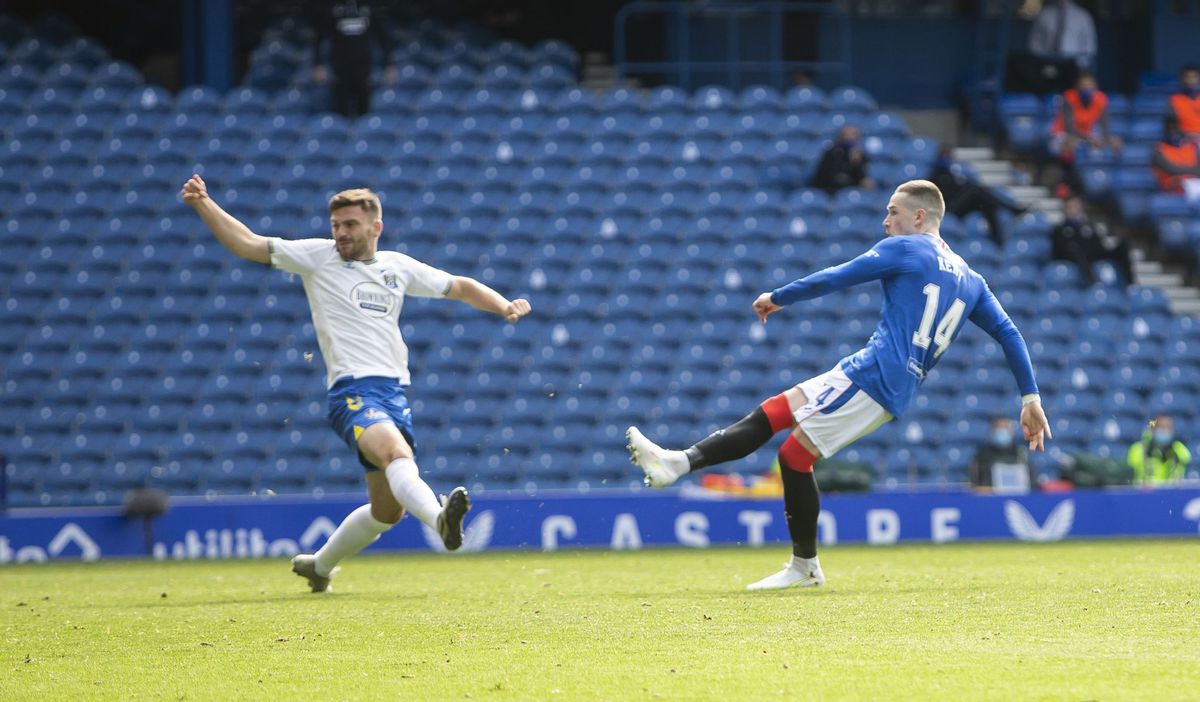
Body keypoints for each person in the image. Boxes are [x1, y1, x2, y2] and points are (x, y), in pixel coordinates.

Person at [626, 179, 1052, 590]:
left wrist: (779, 296)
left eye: (893, 212)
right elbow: (1009, 333)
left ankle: (797, 560)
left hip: (877, 376)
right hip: (874, 370)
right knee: (779, 420)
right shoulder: (970, 278)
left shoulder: (905, 248)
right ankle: (680, 465)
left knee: (792, 453)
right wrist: (1030, 397)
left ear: (919, 217)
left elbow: (839, 275)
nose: (886, 221)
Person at [180, 175, 531, 592]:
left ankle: (319, 566)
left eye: (349, 225)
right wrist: (204, 203)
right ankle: (440, 519)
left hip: (393, 394)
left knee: (386, 512)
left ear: (375, 227)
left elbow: (460, 287)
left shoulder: (397, 268)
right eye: (336, 225)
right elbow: (248, 243)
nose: (340, 233)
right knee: (396, 454)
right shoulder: (316, 257)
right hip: (352, 392)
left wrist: (503, 305)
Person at [311, 0, 399, 118]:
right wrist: (318, 64)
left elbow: (382, 37)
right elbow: (319, 38)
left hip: (363, 67)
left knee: (364, 109)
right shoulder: (333, 10)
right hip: (340, 68)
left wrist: (390, 64)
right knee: (341, 110)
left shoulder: (368, 8)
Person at [927, 146, 1026, 246]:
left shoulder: (954, 174)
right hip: (949, 208)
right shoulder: (934, 176)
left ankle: (997, 239)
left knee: (986, 203)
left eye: (948, 156)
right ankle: (1011, 209)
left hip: (961, 206)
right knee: (976, 190)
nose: (946, 159)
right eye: (944, 156)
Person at [1006, 0, 1095, 94]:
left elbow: (1089, 47)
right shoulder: (1045, 13)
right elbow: (1034, 43)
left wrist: (1081, 66)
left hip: (1072, 65)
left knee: (1075, 75)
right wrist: (1043, 60)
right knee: (1018, 63)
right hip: (1047, 63)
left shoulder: (1083, 16)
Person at [1050, 195, 1134, 287]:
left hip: (1093, 254)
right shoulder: (1060, 229)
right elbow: (1060, 248)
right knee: (1078, 251)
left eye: (1077, 207)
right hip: (1074, 256)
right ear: (1065, 210)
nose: (1074, 210)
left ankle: (1130, 284)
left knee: (1122, 246)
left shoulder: (1088, 227)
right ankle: (1092, 283)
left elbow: (1099, 246)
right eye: (1071, 207)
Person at [1049, 71, 1122, 165]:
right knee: (1072, 142)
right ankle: (1066, 170)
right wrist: (1090, 139)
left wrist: (1107, 139)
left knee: (1115, 142)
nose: (1087, 88)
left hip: (1086, 135)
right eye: (1083, 85)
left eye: (1089, 85)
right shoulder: (1069, 97)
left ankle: (1100, 174)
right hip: (1062, 135)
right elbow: (1069, 128)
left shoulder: (1101, 98)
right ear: (1077, 87)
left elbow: (1105, 125)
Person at [969, 417, 1036, 492]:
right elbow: (976, 483)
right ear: (991, 431)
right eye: (998, 428)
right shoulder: (982, 455)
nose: (1002, 431)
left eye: (1005, 428)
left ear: (1012, 431)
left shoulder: (1021, 453)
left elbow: (1032, 482)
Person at [1127, 415, 1191, 486]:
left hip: (1171, 492)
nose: (1164, 431)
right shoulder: (1138, 449)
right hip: (1143, 492)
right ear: (1153, 430)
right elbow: (1129, 473)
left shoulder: (1179, 449)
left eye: (1168, 428)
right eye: (1161, 428)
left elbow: (1185, 467)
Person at [810, 125, 875, 195]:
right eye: (849, 135)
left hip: (853, 191)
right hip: (831, 190)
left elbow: (862, 177)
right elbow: (827, 176)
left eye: (854, 135)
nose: (852, 138)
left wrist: (856, 164)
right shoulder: (832, 153)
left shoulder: (860, 154)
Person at [1152, 115, 1200, 202]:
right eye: (1170, 129)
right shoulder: (1158, 150)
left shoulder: (1191, 147)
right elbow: (1171, 169)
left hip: (1194, 186)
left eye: (1176, 128)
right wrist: (1192, 171)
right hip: (1171, 190)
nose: (1173, 133)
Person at [1168, 65, 1200, 141]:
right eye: (1187, 77)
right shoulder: (1174, 100)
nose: (1191, 81)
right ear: (1182, 80)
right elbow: (1171, 124)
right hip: (1184, 139)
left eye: (1194, 77)